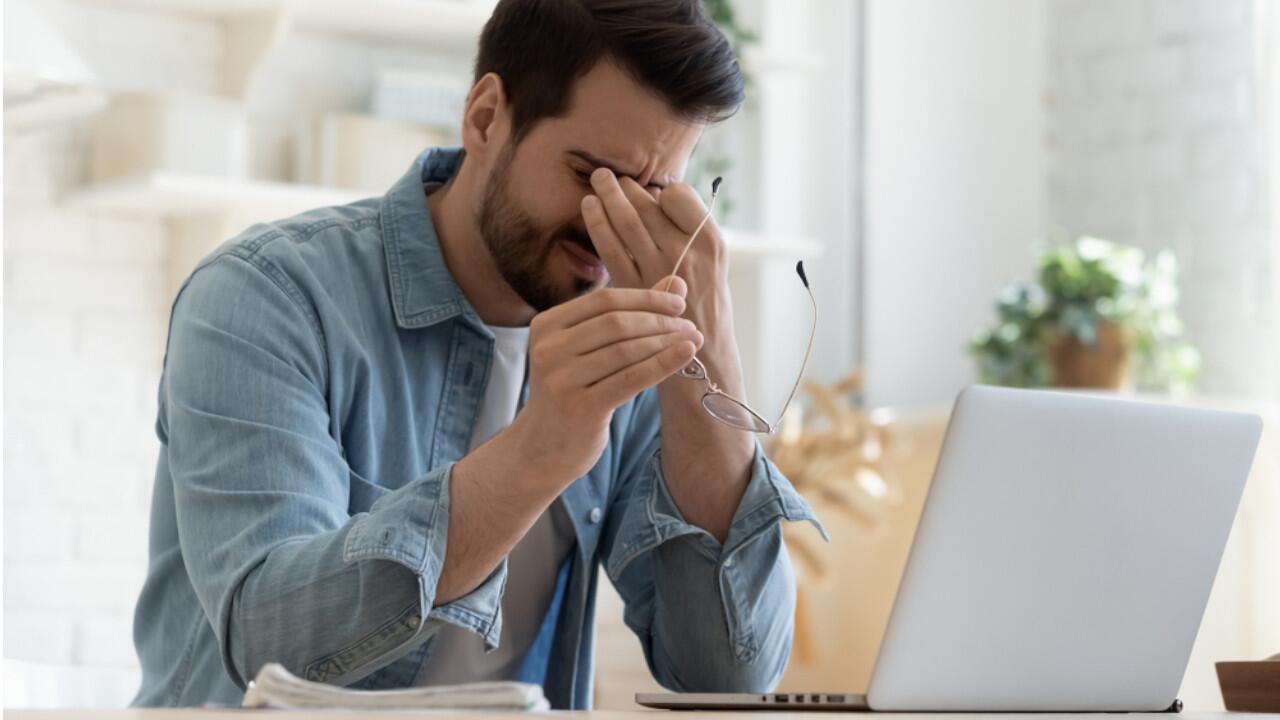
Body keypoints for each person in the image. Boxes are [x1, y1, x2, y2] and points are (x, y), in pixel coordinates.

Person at [131, 0, 819, 708]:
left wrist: (712, 365)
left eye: (653, 196)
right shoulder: (266, 296)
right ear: (487, 117)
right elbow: (270, 646)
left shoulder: (634, 341)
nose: (611, 229)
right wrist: (540, 450)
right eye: (591, 177)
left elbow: (728, 677)